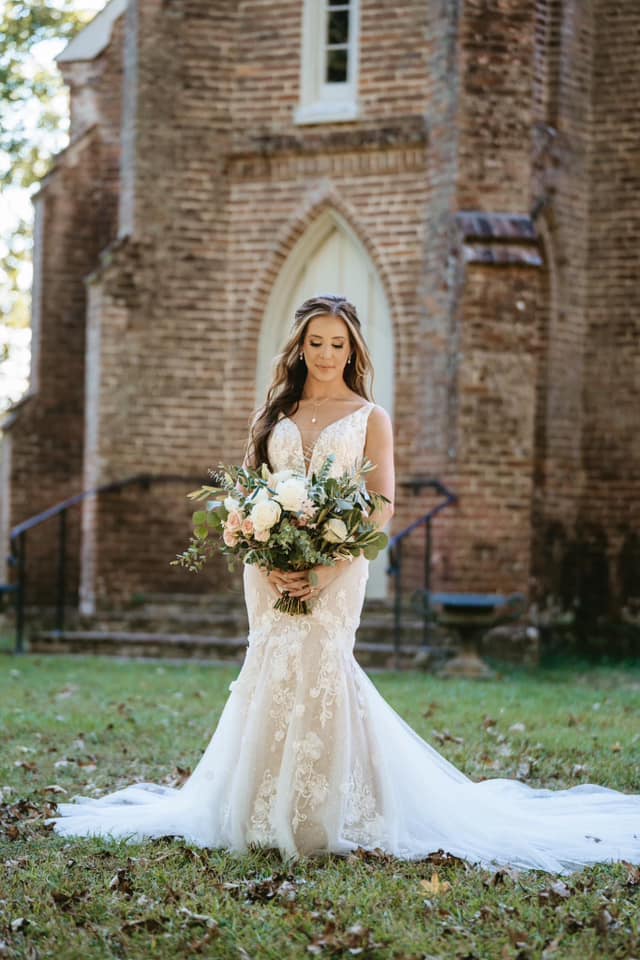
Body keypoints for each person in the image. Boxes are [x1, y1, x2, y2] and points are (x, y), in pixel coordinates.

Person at [47, 295, 640, 875]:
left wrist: (327, 567)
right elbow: (254, 493)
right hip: (270, 567)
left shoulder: (368, 416)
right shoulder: (273, 415)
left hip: (338, 563)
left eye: (338, 344)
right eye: (316, 343)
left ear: (352, 349)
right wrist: (262, 549)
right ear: (299, 348)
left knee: (325, 670)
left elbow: (381, 505)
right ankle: (255, 809)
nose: (326, 354)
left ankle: (319, 814)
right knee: (270, 669)